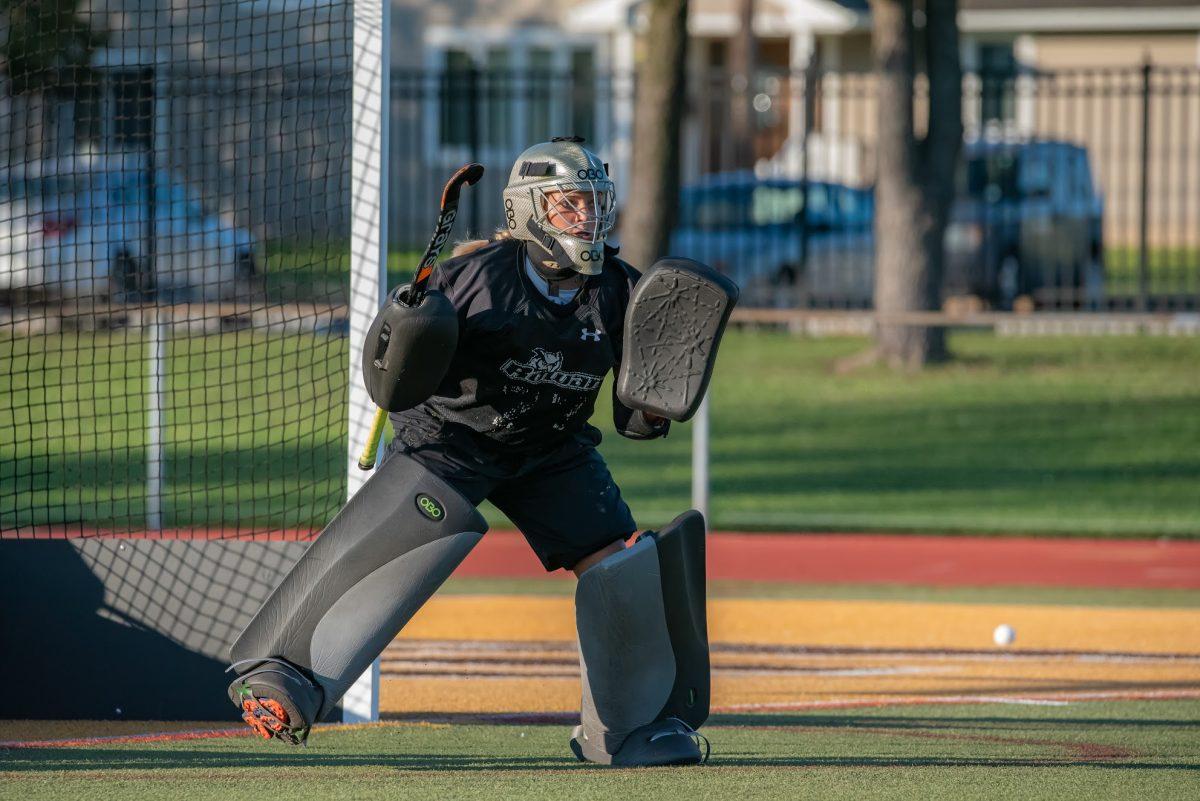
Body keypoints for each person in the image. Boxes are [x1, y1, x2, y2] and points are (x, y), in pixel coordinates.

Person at [227, 137, 716, 767]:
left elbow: (634, 416)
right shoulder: (474, 279)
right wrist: (406, 334)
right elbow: (399, 376)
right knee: (396, 541)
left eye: (596, 205)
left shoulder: (619, 290)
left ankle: (629, 731)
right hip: (452, 442)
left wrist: (655, 404)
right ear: (530, 211)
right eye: (571, 205)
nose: (588, 219)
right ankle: (282, 675)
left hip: (552, 448)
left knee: (621, 565)